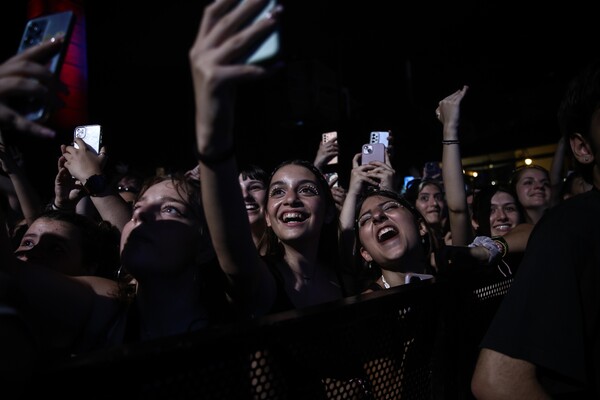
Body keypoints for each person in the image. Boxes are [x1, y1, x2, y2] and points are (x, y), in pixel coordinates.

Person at [190, 0, 351, 314]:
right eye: (277, 191)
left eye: (306, 190)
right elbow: (232, 250)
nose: (290, 199)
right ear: (266, 215)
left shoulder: (346, 279)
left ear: (330, 212)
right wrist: (213, 120)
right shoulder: (261, 281)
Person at [471, 59, 600, 398]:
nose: (539, 188)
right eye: (527, 183)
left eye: (508, 208)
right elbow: (497, 380)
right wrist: (490, 246)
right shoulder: (565, 229)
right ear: (584, 148)